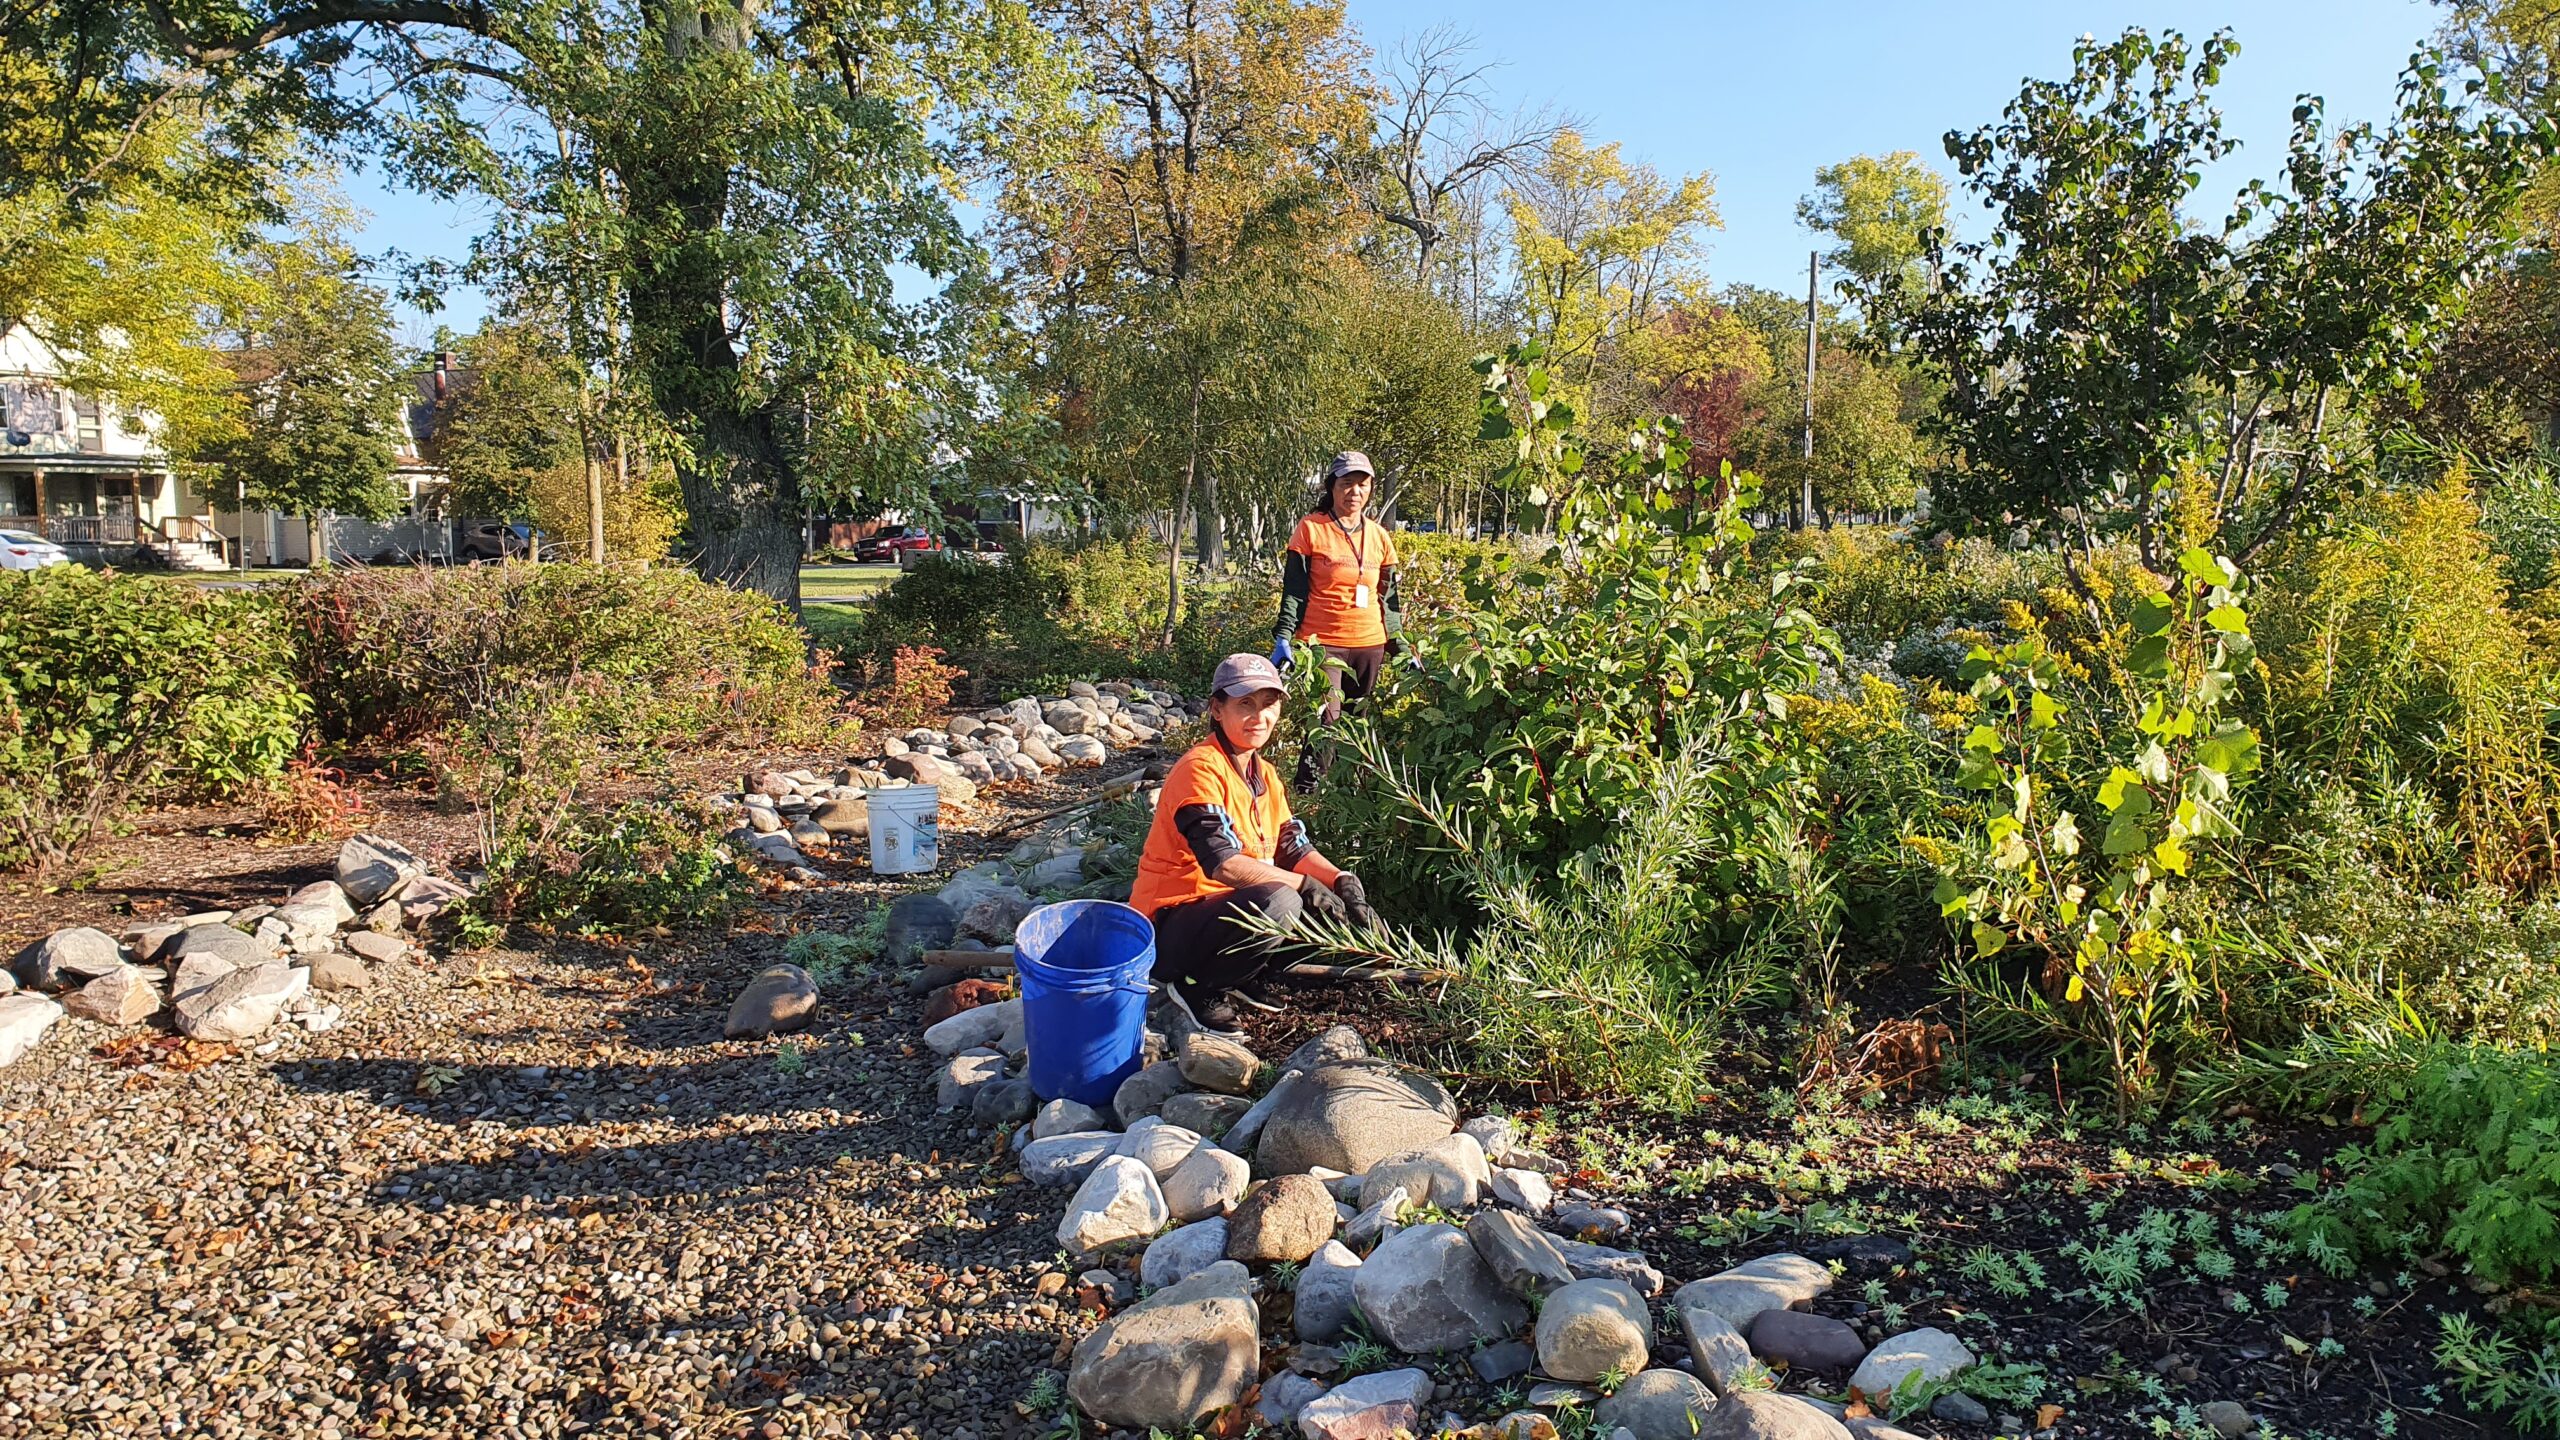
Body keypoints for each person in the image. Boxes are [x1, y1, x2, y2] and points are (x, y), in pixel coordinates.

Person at [1128, 653, 1380, 1030]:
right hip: (1169, 925)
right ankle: (1198, 985)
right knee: (1283, 898)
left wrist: (1341, 881)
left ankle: (1242, 974)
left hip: (1221, 914)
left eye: (1268, 705)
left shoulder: (1265, 774)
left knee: (1316, 900)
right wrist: (1305, 886)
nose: (1258, 717)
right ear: (1217, 709)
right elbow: (1223, 864)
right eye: (1245, 704)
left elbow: (1291, 847)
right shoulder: (1199, 770)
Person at [1273, 450, 1403, 789]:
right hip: (1323, 644)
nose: (1355, 492)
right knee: (1326, 721)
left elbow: (1389, 600)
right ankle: (1308, 792)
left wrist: (1399, 643)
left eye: (1362, 485)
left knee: (1356, 725)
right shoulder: (1311, 529)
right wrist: (1284, 635)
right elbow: (1294, 590)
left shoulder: (1379, 537)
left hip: (1369, 644)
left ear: (1371, 489)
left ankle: (1345, 800)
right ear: (1332, 487)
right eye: (1347, 484)